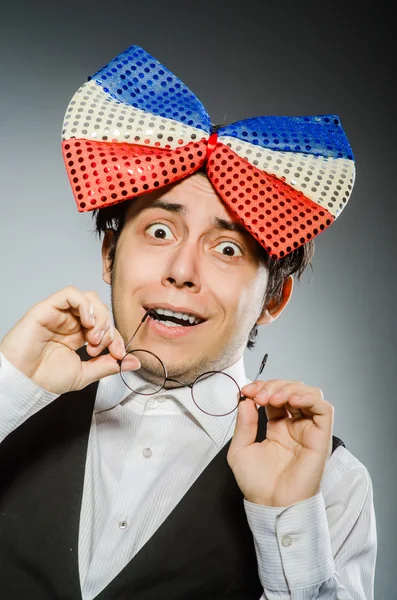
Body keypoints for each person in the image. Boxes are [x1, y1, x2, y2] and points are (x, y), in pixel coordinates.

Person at [0, 45, 376, 599]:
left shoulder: (331, 487)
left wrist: (286, 520)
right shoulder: (15, 397)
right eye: (158, 232)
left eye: (227, 248)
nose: (182, 270)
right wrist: (8, 387)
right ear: (109, 254)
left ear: (274, 299)